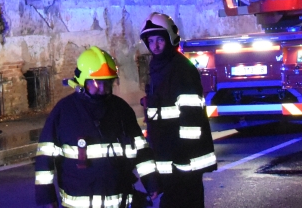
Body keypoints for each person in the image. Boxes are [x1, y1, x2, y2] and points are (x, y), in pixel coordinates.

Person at [34, 46, 156, 208]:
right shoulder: (64, 111)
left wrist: (151, 181)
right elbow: (45, 156)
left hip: (119, 201)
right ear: (83, 81)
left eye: (108, 83)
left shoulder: (121, 110)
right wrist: (46, 195)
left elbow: (141, 149)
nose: (103, 89)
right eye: (97, 83)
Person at [140, 12, 216, 208]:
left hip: (183, 158)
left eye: (159, 40)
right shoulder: (159, 66)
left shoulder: (181, 68)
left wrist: (183, 156)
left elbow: (191, 114)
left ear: (169, 38)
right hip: (168, 153)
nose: (155, 46)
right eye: (151, 41)